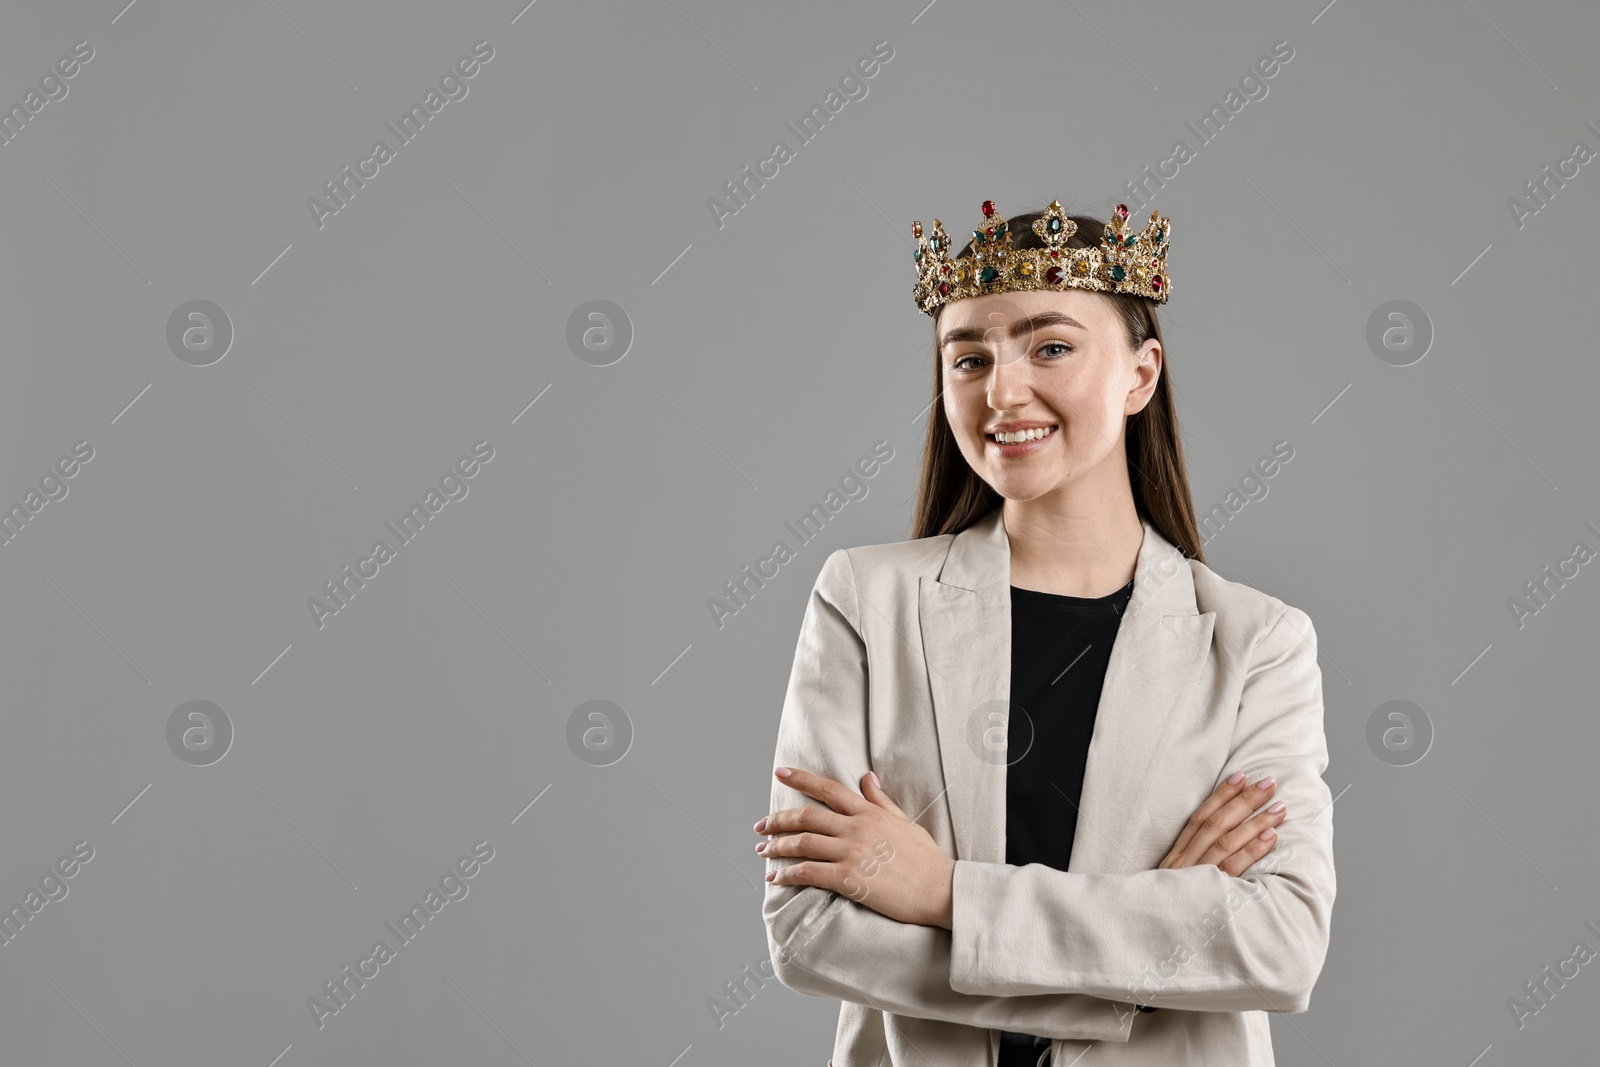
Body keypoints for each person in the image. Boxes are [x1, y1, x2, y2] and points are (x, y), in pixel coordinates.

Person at [755, 199, 1336, 1066]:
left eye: (1051, 346)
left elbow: (1282, 944)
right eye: (969, 358)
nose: (1002, 390)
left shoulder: (1256, 643)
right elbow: (808, 931)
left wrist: (944, 892)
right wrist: (1150, 950)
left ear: (1140, 377)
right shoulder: (865, 600)